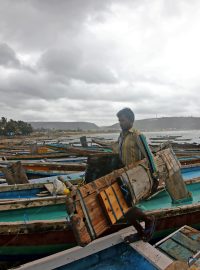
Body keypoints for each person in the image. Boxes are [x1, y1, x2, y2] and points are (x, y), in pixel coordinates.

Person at [116, 107, 156, 242]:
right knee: (124, 207)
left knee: (127, 206)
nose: (120, 123)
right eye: (119, 120)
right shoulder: (121, 136)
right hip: (124, 176)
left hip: (136, 176)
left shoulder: (137, 135)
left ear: (131, 121)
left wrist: (154, 176)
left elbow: (149, 156)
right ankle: (141, 231)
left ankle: (148, 220)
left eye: (122, 120)